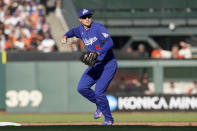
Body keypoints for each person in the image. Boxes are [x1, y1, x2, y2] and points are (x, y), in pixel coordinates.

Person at [61, 8, 117, 125]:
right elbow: (72, 31)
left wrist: (98, 52)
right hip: (95, 65)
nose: (87, 19)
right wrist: (65, 36)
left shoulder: (98, 28)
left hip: (108, 64)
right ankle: (99, 105)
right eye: (84, 17)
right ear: (80, 19)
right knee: (81, 87)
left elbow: (110, 42)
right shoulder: (80, 30)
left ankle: (109, 119)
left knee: (99, 92)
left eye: (89, 16)